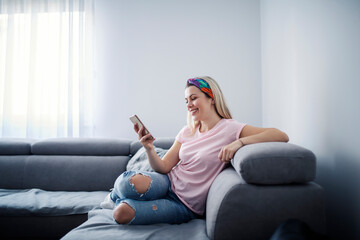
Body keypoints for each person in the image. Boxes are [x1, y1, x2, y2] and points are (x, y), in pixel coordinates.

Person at [100, 76, 289, 225]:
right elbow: (164, 166)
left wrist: (239, 143)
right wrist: (149, 148)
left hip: (184, 206)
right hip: (167, 182)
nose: (189, 104)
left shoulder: (231, 128)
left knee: (121, 214)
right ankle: (114, 196)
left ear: (211, 98)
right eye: (186, 100)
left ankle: (121, 202)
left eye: (193, 98)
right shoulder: (187, 131)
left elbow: (280, 135)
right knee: (127, 184)